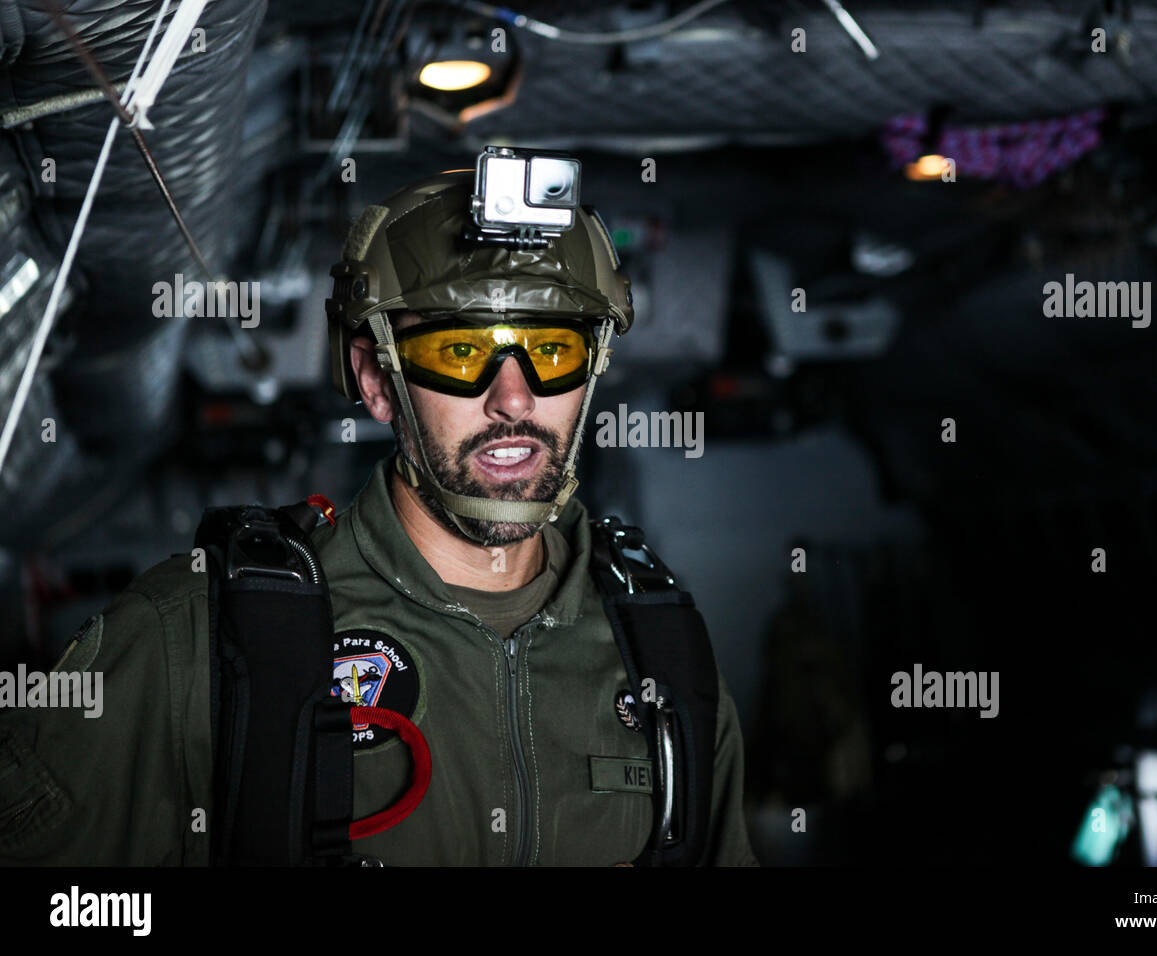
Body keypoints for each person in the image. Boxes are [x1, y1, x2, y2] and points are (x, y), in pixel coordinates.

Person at [0, 148, 758, 866]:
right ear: (377, 381)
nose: (515, 399)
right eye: (462, 354)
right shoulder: (204, 637)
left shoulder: (663, 652)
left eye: (552, 353)